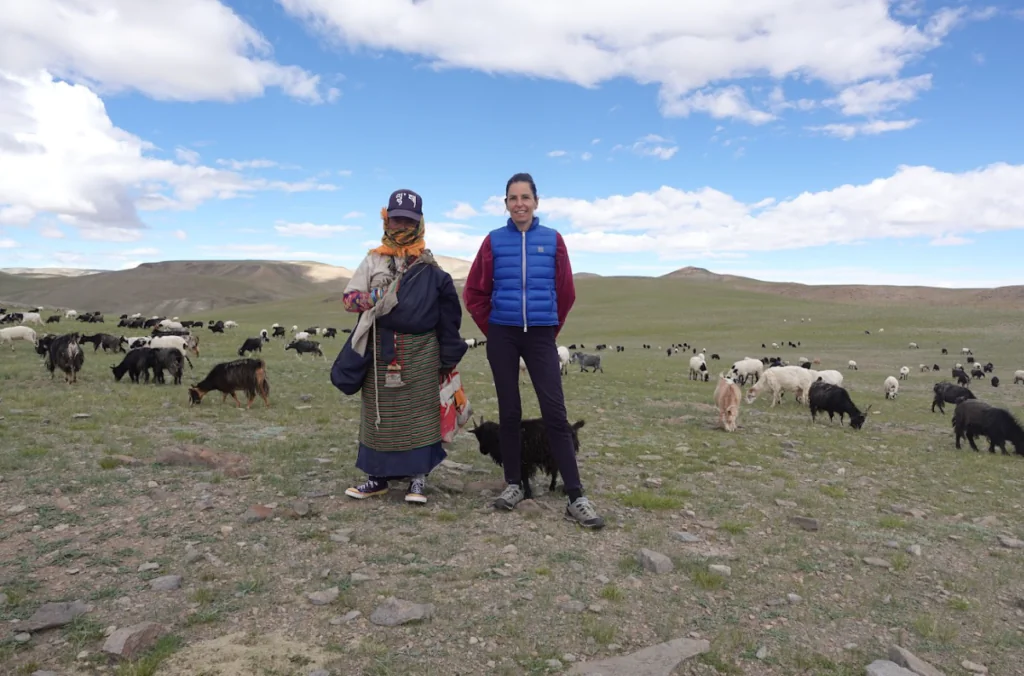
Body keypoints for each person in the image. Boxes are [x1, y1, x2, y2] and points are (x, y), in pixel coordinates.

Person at [463, 172, 605, 529]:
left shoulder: (553, 240)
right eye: (513, 198)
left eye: (525, 197)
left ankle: (575, 495)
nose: (519, 204)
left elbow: (566, 292)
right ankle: (514, 485)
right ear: (506, 203)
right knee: (509, 413)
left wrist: (547, 330)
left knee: (555, 414)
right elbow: (475, 293)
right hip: (503, 335)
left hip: (540, 335)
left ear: (536, 202)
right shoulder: (493, 241)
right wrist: (493, 329)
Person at [340, 189, 468, 504]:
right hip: (380, 348)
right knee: (378, 416)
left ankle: (418, 480)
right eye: (396, 219)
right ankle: (377, 478)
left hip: (423, 352)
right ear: (386, 218)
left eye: (408, 221)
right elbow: (348, 299)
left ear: (419, 223)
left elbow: (448, 316)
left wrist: (448, 357)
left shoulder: (431, 269)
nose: (401, 226)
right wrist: (375, 298)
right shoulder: (373, 260)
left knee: (420, 417)